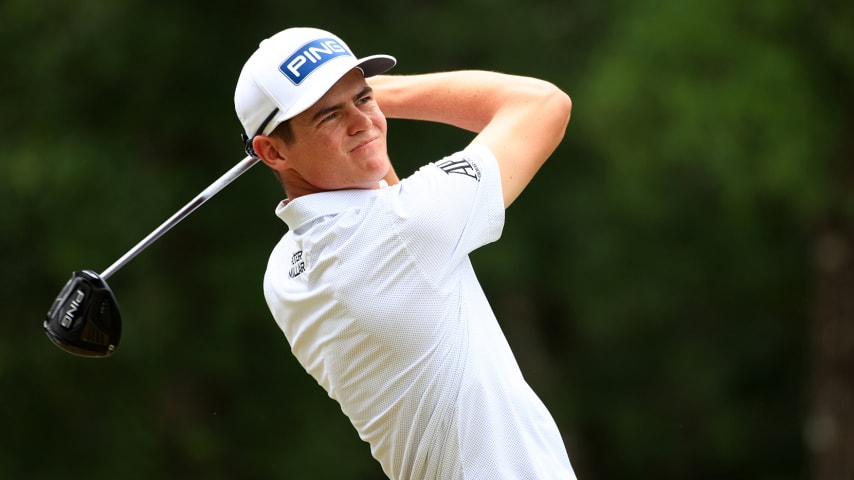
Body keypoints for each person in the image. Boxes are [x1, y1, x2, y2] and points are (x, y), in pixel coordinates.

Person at [234, 27, 574, 479]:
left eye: (363, 98)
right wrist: (386, 94)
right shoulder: (407, 227)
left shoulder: (283, 272)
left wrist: (343, 103)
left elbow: (376, 194)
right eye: (329, 116)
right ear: (272, 151)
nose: (362, 122)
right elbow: (543, 104)